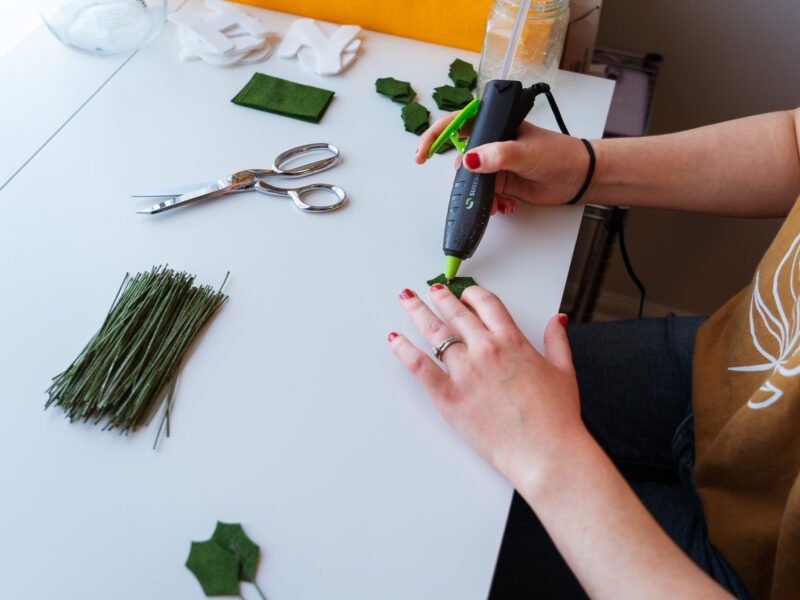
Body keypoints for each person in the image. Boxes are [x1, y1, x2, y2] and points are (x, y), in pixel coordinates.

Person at [387, 107, 800, 600]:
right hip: (726, 363)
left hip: (750, 574)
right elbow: (796, 139)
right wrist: (584, 167)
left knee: (433, 534)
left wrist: (548, 451)